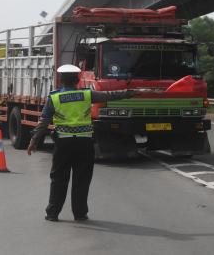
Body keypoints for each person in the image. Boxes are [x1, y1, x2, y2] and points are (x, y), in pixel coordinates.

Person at [27, 64, 146, 222]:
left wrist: (34, 141)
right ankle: (80, 213)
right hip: (84, 143)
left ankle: (53, 213)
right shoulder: (86, 95)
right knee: (82, 179)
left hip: (63, 143)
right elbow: (111, 95)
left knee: (58, 179)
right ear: (77, 79)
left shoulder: (54, 97)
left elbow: (43, 121)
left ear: (61, 80)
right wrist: (133, 92)